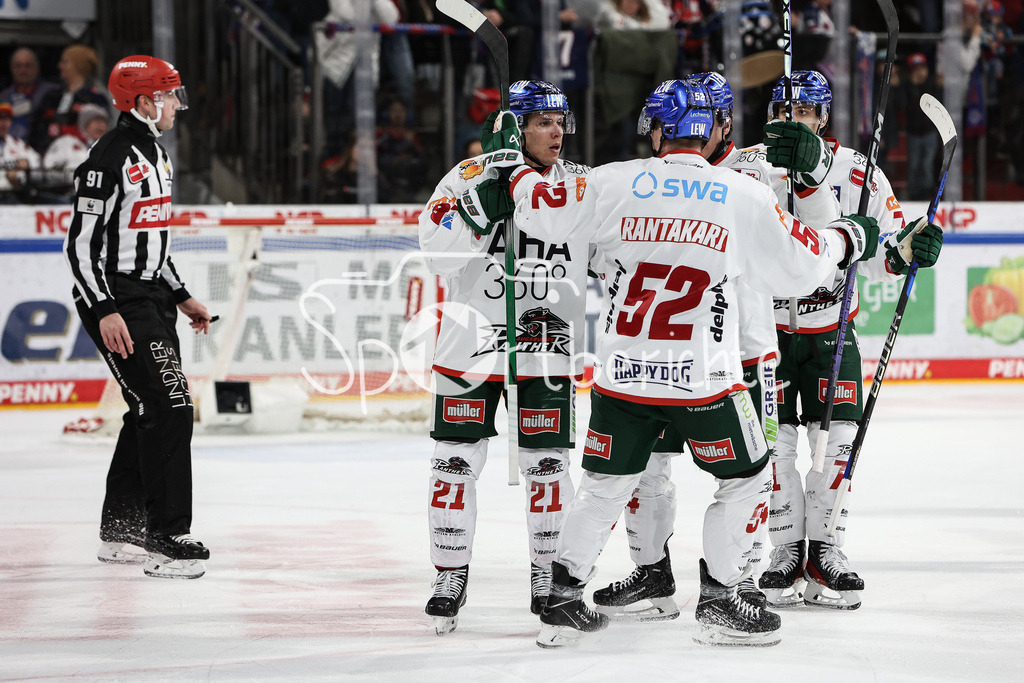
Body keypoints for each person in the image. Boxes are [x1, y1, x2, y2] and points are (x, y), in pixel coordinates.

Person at [487, 79, 882, 648]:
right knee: (748, 478)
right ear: (712, 129)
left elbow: (540, 213)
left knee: (603, 487)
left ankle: (562, 598)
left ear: (656, 130)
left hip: (623, 376)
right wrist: (848, 237)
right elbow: (802, 265)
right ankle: (721, 600)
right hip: (705, 379)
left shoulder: (611, 180)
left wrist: (512, 166)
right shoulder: (740, 192)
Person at [588, 72, 841, 622]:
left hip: (748, 352)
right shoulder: (659, 178)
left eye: (722, 116)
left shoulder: (762, 167)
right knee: (646, 472)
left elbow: (814, 234)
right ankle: (652, 572)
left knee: (754, 471)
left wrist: (811, 172)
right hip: (672, 352)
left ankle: (738, 579)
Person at [753, 70, 944, 610]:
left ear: (822, 117)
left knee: (837, 446)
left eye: (803, 112)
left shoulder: (860, 171)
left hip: (833, 333)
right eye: (783, 111)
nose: (792, 120)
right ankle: (786, 550)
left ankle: (827, 550)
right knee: (775, 449)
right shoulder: (753, 167)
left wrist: (909, 250)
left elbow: (884, 252)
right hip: (766, 334)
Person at [417, 80, 589, 635]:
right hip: (469, 348)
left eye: (561, 121)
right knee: (453, 463)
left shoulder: (581, 183)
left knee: (547, 468)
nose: (557, 132)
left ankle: (546, 575)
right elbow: (435, 256)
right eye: (543, 122)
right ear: (515, 128)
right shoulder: (466, 177)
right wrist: (479, 207)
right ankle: (450, 574)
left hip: (547, 348)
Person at [62, 55, 213, 580]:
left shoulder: (157, 154)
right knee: (171, 405)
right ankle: (167, 536)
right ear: (145, 102)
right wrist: (104, 309)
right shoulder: (106, 158)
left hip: (151, 298)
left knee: (147, 406)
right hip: (117, 299)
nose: (176, 105)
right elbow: (79, 248)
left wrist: (182, 295)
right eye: (169, 95)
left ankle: (122, 529)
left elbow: (153, 241)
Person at [37, 45, 110, 152]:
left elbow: (102, 132)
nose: (60, 66)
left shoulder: (95, 97)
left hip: (82, 154)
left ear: (78, 65)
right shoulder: (53, 96)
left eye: (65, 62)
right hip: (51, 155)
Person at [0, 47, 60, 153]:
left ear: (37, 68)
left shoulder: (52, 92)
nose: (23, 70)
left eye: (27, 66)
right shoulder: (3, 97)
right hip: (7, 151)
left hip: (40, 151)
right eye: (18, 66)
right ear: (11, 68)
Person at [900, 53, 940, 201]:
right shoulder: (906, 86)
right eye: (916, 69)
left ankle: (927, 196)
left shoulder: (932, 84)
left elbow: (935, 105)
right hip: (913, 133)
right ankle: (913, 196)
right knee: (913, 165)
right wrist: (913, 85)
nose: (920, 72)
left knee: (927, 165)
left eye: (922, 68)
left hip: (929, 132)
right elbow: (905, 105)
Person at [0, 102, 42, 204]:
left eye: (8, 120)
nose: (5, 124)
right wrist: (7, 175)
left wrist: (26, 166)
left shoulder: (17, 144)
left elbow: (38, 163)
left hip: (16, 195)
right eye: (1, 119)